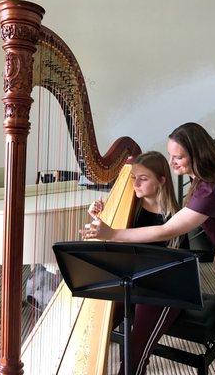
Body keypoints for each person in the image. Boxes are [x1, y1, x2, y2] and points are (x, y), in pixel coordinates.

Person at [83, 123, 215, 375]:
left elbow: (167, 230)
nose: (172, 162)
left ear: (197, 154)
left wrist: (112, 234)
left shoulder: (210, 187)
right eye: (170, 155)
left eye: (178, 156)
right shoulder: (202, 179)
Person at [87, 151, 185, 375]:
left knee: (136, 346)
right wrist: (98, 218)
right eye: (133, 178)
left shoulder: (174, 217)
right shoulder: (133, 206)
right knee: (96, 318)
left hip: (166, 288)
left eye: (143, 178)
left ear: (161, 180)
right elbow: (111, 240)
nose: (136, 184)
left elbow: (176, 268)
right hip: (132, 281)